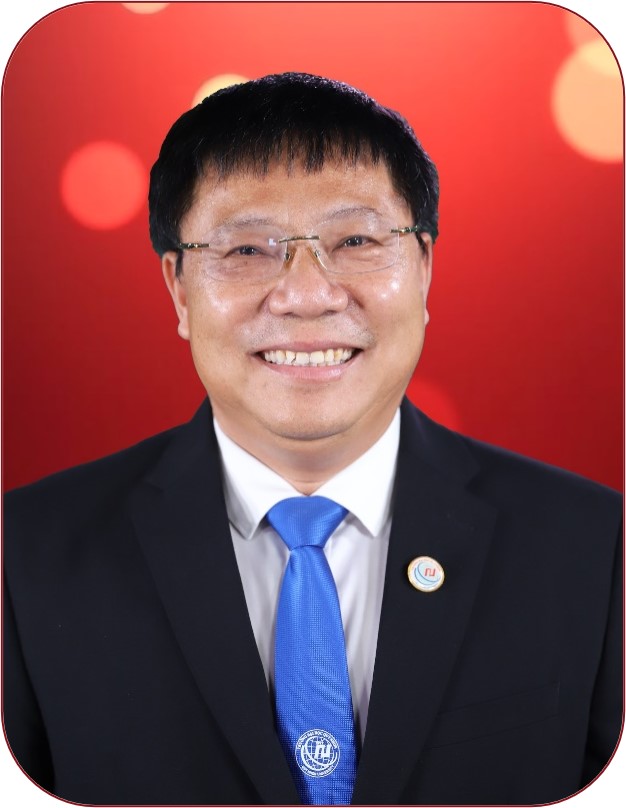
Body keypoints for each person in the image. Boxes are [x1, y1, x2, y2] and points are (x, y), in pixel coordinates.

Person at [3, 73, 622, 806]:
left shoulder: (595, 545)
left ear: (424, 268)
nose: (306, 295)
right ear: (179, 288)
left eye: (356, 240)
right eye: (246, 250)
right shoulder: (26, 554)